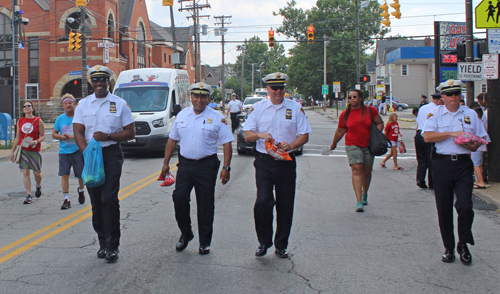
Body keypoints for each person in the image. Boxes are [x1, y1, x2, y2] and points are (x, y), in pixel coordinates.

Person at [243, 72, 310, 258]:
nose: (278, 91)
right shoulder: (258, 108)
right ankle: (263, 242)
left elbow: (304, 135)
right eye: (274, 88)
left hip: (286, 163)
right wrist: (260, 135)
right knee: (263, 202)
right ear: (268, 89)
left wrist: (292, 145)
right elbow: (247, 135)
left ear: (284, 89)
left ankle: (281, 244)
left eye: (281, 87)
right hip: (264, 162)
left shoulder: (295, 108)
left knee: (285, 204)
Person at [161, 83, 233, 255]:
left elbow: (227, 143)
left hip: (206, 165)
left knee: (205, 204)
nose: (199, 100)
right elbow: (172, 140)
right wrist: (165, 163)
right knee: (179, 198)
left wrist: (226, 167)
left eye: (203, 97)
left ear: (208, 98)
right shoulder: (182, 115)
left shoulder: (217, 117)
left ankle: (205, 242)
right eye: (196, 96)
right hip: (185, 165)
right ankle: (186, 233)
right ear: (191, 97)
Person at [73, 65, 136, 262]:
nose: (99, 83)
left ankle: (113, 246)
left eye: (103, 80)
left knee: (109, 198)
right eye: (96, 80)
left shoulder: (119, 104)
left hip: (111, 154)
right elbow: (78, 131)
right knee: (96, 200)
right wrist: (86, 152)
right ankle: (102, 243)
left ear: (108, 82)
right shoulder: (83, 105)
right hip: (91, 155)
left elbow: (130, 132)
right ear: (91, 83)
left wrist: (108, 135)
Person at [422, 80, 488, 265]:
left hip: (463, 164)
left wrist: (472, 143)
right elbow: (427, 136)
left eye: (456, 94)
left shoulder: (471, 114)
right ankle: (449, 248)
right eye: (449, 94)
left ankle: (464, 243)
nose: (453, 97)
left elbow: (480, 140)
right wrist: (452, 134)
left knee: (465, 206)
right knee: (444, 208)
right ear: (442, 97)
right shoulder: (434, 114)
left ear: (461, 95)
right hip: (442, 164)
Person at [330, 89, 383, 212]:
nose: (352, 99)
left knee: (367, 171)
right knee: (357, 168)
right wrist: (334, 143)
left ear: (360, 98)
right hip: (352, 144)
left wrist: (376, 135)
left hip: (369, 145)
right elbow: (340, 130)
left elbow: (380, 123)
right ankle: (359, 201)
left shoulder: (371, 111)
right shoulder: (345, 114)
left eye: (354, 97)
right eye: (350, 97)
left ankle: (365, 194)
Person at [52, 94, 86, 209]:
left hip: (77, 150)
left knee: (80, 175)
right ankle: (66, 199)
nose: (68, 105)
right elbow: (54, 133)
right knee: (64, 175)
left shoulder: (79, 117)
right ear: (63, 105)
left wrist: (71, 137)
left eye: (70, 103)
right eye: (66, 103)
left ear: (74, 104)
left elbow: (84, 133)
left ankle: (81, 190)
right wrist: (61, 137)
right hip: (64, 151)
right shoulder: (60, 119)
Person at [10, 101, 46, 204]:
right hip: (24, 149)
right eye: (24, 106)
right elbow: (17, 137)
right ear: (22, 109)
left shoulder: (38, 120)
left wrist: (37, 141)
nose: (26, 108)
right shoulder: (20, 121)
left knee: (37, 173)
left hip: (34, 150)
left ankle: (38, 185)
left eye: (28, 106)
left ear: (32, 108)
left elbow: (43, 135)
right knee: (25, 172)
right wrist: (12, 151)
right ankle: (28, 195)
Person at [414, 93, 443, 189]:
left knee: (422, 159)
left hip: (419, 133)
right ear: (438, 100)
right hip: (429, 135)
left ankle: (420, 179)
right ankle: (432, 182)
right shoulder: (437, 110)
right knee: (431, 159)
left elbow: (418, 122)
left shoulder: (423, 108)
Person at [471, 106, 488, 189]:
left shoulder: (477, 122)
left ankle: (480, 181)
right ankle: (479, 180)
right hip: (482, 145)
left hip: (478, 145)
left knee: (476, 164)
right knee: (479, 163)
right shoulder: (481, 121)